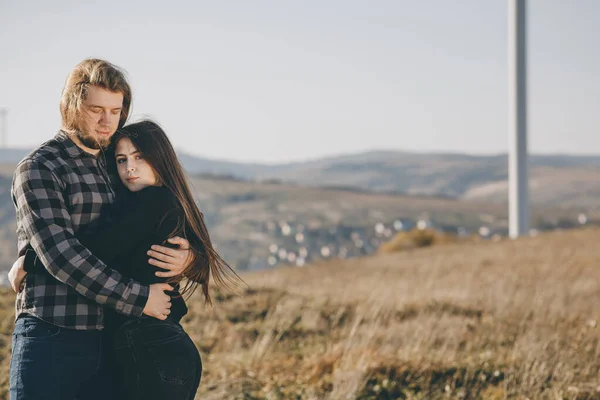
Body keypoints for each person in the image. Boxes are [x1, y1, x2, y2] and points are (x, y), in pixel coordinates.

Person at [8, 59, 195, 400]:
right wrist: (140, 300)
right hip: (54, 332)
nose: (108, 121)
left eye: (116, 110)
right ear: (71, 107)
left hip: (114, 339)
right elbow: (64, 258)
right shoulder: (40, 167)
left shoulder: (119, 163)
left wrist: (188, 258)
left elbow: (153, 221)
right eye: (96, 110)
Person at [13, 120, 238, 399]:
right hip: (153, 347)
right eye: (121, 159)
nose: (129, 167)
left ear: (160, 158)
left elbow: (96, 250)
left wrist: (30, 262)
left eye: (139, 157)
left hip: (150, 346)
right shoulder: (160, 203)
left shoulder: (154, 202)